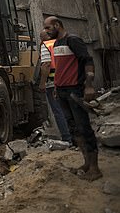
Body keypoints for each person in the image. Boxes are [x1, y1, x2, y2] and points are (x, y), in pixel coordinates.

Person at [43, 16, 102, 181]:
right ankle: (87, 163)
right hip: (62, 92)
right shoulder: (56, 44)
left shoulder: (73, 40)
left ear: (57, 25)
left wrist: (89, 85)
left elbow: (88, 61)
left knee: (84, 128)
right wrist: (56, 87)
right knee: (74, 130)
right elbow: (60, 68)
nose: (46, 32)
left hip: (75, 91)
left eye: (48, 28)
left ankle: (95, 168)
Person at [38, 30, 72, 144]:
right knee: (69, 109)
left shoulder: (45, 46)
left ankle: (67, 137)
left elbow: (46, 65)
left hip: (53, 83)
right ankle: (76, 136)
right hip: (68, 81)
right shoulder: (62, 42)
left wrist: (42, 83)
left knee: (58, 111)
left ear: (43, 38)